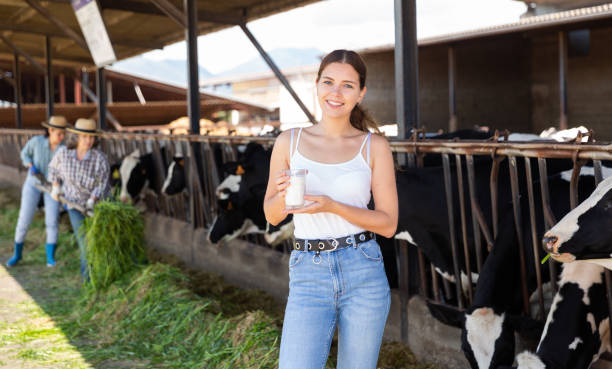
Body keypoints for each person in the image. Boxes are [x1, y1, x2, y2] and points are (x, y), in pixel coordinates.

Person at [263, 50, 398, 369]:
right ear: (317, 85)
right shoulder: (289, 141)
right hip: (309, 269)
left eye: (347, 85)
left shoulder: (374, 146)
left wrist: (332, 205)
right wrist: (285, 197)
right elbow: (271, 215)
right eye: (328, 82)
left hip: (363, 267)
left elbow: (388, 224)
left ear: (361, 92)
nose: (335, 93)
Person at [47, 118, 110, 281]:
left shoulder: (99, 159)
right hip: (74, 206)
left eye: (91, 137)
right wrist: (56, 186)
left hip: (96, 205)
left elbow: (102, 183)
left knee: (98, 241)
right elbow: (53, 169)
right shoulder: (64, 154)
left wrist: (92, 200)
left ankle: (102, 274)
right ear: (77, 137)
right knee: (85, 243)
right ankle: (88, 283)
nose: (88, 141)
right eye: (84, 137)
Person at [7, 116, 68, 268]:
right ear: (50, 130)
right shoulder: (36, 142)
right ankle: (17, 254)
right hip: (33, 183)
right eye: (58, 134)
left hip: (51, 187)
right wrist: (29, 164)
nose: (61, 137)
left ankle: (50, 258)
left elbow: (65, 170)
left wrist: (59, 183)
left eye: (63, 134)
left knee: (52, 220)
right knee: (24, 218)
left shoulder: (63, 150)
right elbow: (24, 154)